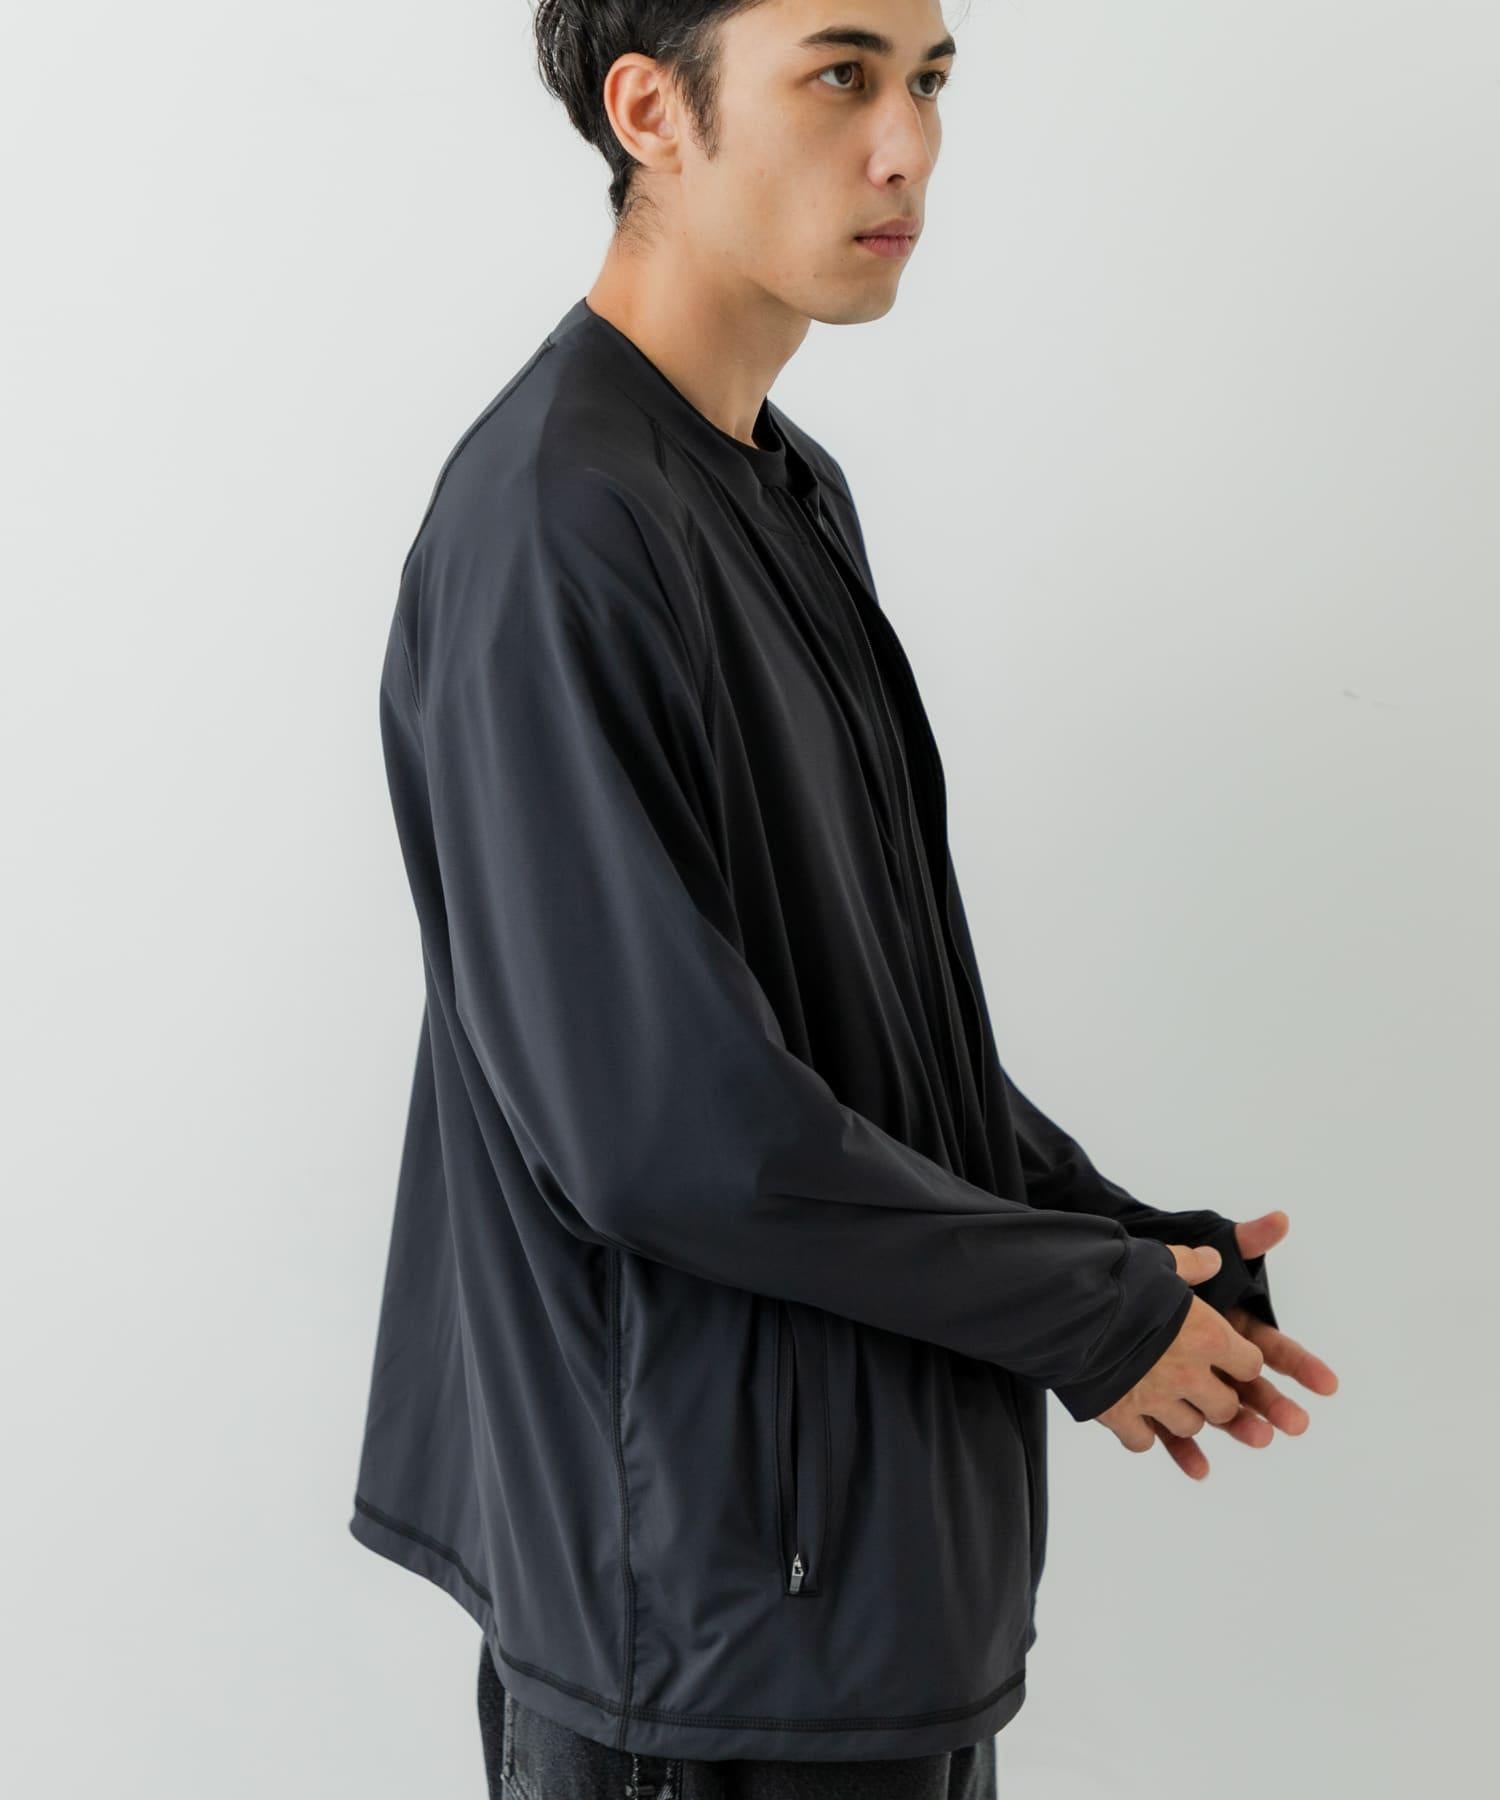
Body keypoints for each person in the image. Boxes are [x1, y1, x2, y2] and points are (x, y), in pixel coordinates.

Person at [348, 3, 1338, 1793]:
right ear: (650, 110)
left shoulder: (780, 490)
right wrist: (1083, 1312)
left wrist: (1120, 1252)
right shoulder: (557, 529)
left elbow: (858, 1031)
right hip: (703, 1633)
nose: (908, 148)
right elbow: (665, 1133)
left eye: (930, 81)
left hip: (844, 1617)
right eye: (841, 75)